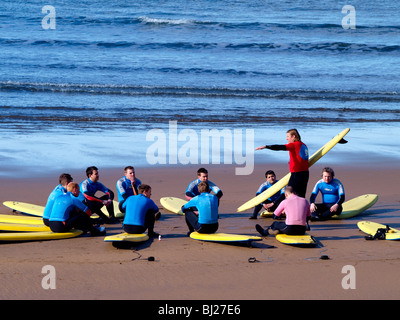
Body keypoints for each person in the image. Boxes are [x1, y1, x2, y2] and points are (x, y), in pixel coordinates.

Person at [255, 129, 309, 198]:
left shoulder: (294, 145)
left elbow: (280, 147)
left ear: (293, 136)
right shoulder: (304, 145)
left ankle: (286, 208)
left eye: (288, 136)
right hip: (305, 174)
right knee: (301, 195)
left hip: (296, 174)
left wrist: (266, 146)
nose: (286, 138)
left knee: (289, 194)